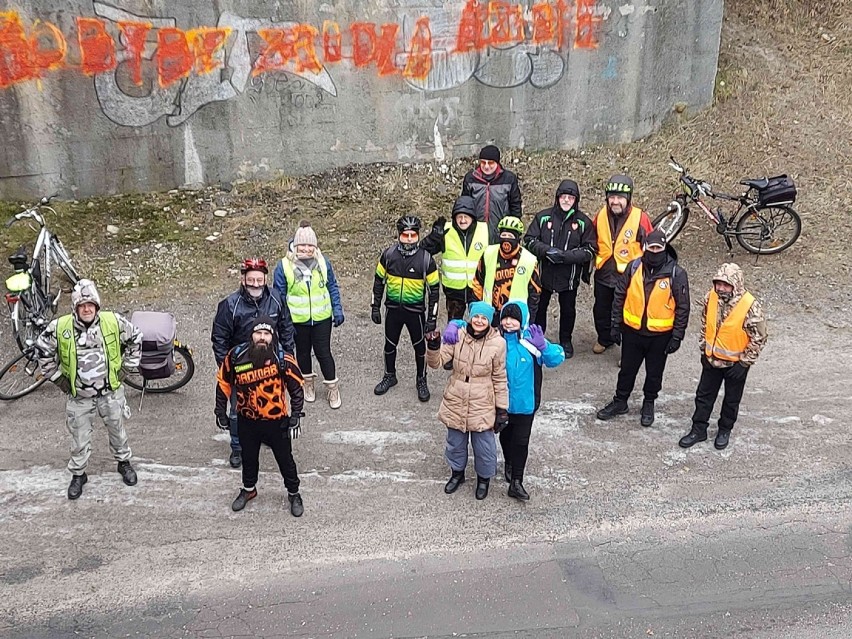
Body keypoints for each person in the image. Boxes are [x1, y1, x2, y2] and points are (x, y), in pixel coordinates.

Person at [36, 279, 143, 500]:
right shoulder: (60, 327)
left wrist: (126, 369)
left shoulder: (112, 321)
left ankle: (123, 463)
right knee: (79, 438)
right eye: (82, 305)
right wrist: (57, 379)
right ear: (75, 308)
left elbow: (136, 338)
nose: (87, 309)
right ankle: (78, 474)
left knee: (117, 430)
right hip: (79, 398)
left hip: (110, 393)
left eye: (91, 304)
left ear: (97, 306)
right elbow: (42, 351)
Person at [596, 229, 690, 426]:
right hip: (632, 332)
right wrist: (615, 324)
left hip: (660, 336)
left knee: (654, 373)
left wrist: (677, 336)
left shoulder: (677, 274)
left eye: (658, 247)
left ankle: (649, 403)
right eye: (651, 247)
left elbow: (683, 307)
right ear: (645, 247)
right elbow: (619, 296)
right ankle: (620, 401)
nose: (654, 251)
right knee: (627, 371)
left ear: (665, 248)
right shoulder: (633, 267)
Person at [215, 316, 306, 515]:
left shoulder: (282, 359)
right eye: (259, 333)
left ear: (272, 337)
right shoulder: (236, 356)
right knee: (248, 458)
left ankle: (294, 492)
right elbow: (223, 383)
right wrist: (220, 411)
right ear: (251, 335)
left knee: (285, 460)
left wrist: (296, 415)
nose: (262, 338)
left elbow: (297, 387)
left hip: (276, 421)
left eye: (267, 334)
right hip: (246, 420)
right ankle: (249, 490)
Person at [212, 258, 296, 469]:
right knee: (237, 410)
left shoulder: (277, 298)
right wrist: (228, 369)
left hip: (272, 365)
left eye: (259, 280)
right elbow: (219, 339)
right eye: (251, 280)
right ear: (243, 279)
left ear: (265, 278)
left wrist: (288, 358)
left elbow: (286, 328)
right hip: (242, 367)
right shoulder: (230, 305)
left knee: (272, 405)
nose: (256, 284)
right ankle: (238, 447)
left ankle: (267, 435)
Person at [679, 263, 767, 450]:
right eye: (718, 284)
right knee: (703, 397)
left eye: (726, 285)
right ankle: (698, 430)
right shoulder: (710, 297)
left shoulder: (750, 305)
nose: (720, 288)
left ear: (736, 285)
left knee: (731, 400)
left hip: (736, 365)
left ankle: (724, 430)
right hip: (711, 361)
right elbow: (705, 325)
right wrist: (704, 350)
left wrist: (744, 363)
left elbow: (759, 337)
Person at [425, 301, 508, 500]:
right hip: (456, 396)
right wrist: (434, 346)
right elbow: (435, 363)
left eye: (484, 318)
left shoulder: (498, 343)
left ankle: (483, 479)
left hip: (482, 399)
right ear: (470, 317)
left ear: (489, 321)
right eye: (476, 316)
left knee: (484, 446)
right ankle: (457, 474)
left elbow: (499, 377)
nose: (479, 321)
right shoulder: (458, 336)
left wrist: (502, 409)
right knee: (455, 442)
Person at [498, 301, 564, 501]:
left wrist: (544, 347)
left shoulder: (531, 341)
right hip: (502, 404)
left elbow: (557, 357)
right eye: (506, 318)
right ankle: (509, 462)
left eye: (514, 318)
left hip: (526, 404)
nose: (509, 322)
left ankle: (517, 481)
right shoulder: (495, 340)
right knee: (506, 438)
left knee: (521, 442)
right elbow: (468, 328)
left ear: (523, 320)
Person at [274, 221, 344, 409]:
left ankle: (332, 387)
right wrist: (282, 321)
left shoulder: (323, 262)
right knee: (302, 353)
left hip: (322, 317)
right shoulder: (283, 266)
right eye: (302, 245)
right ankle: (307, 385)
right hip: (297, 320)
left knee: (323, 352)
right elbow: (278, 296)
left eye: (310, 245)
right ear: (295, 246)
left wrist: (337, 309)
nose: (306, 249)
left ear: (315, 246)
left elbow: (332, 287)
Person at [524, 179, 596, 358]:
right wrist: (547, 251)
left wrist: (565, 257)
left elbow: (590, 249)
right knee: (539, 307)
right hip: (544, 273)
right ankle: (537, 338)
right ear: (557, 198)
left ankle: (566, 340)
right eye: (563, 197)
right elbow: (529, 240)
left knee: (568, 309)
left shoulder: (583, 222)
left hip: (569, 276)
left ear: (576, 200)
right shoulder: (543, 217)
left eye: (570, 198)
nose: (566, 200)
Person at [371, 216, 440, 402]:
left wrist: (432, 319)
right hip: (393, 309)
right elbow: (378, 281)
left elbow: (434, 290)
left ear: (418, 235)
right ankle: (389, 375)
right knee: (389, 345)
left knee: (419, 347)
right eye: (405, 235)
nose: (409, 238)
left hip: (415, 312)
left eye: (413, 235)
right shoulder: (388, 255)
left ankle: (421, 379)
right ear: (399, 235)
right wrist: (375, 306)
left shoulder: (426, 259)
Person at [592, 175, 653, 354]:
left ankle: (628, 349)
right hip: (604, 272)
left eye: (620, 197)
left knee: (627, 314)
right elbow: (591, 238)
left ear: (628, 198)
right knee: (601, 310)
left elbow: (650, 246)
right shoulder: (601, 214)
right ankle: (605, 339)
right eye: (612, 197)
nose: (615, 201)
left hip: (629, 277)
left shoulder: (640, 217)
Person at [473, 216, 541, 324]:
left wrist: (530, 320)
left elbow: (535, 293)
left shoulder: (530, 260)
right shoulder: (488, 253)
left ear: (518, 238)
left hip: (515, 318)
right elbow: (477, 282)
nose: (506, 239)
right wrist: (479, 309)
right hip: (490, 314)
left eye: (510, 236)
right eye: (503, 235)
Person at [461, 145, 522, 244]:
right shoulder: (470, 178)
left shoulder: (509, 179)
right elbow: (464, 205)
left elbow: (515, 206)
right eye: (483, 162)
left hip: (501, 232)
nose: (486, 166)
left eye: (490, 163)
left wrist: (513, 230)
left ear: (497, 163)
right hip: (475, 231)